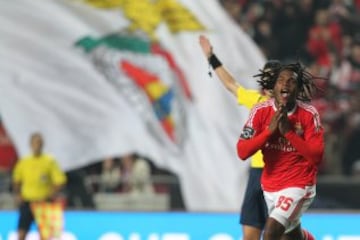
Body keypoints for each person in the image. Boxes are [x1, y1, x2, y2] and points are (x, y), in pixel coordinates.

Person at [199, 34, 280, 240]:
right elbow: (231, 85)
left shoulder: (292, 110)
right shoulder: (256, 101)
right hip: (256, 175)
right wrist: (211, 57)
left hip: (279, 177)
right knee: (249, 235)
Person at [237, 62, 324, 240]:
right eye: (281, 80)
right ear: (273, 86)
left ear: (298, 88)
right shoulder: (260, 111)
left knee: (271, 233)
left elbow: (316, 156)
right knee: (289, 236)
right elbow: (242, 151)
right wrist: (268, 132)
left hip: (300, 185)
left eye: (291, 81)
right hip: (270, 186)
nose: (285, 84)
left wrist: (289, 133)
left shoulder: (309, 114)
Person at [12, 132, 67, 240]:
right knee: (21, 233)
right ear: (30, 144)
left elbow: (60, 181)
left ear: (42, 144)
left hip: (44, 203)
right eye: (35, 142)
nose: (37, 145)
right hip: (27, 202)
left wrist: (50, 194)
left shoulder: (49, 161)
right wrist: (18, 194)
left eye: (39, 143)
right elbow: (16, 180)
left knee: (45, 235)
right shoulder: (24, 162)